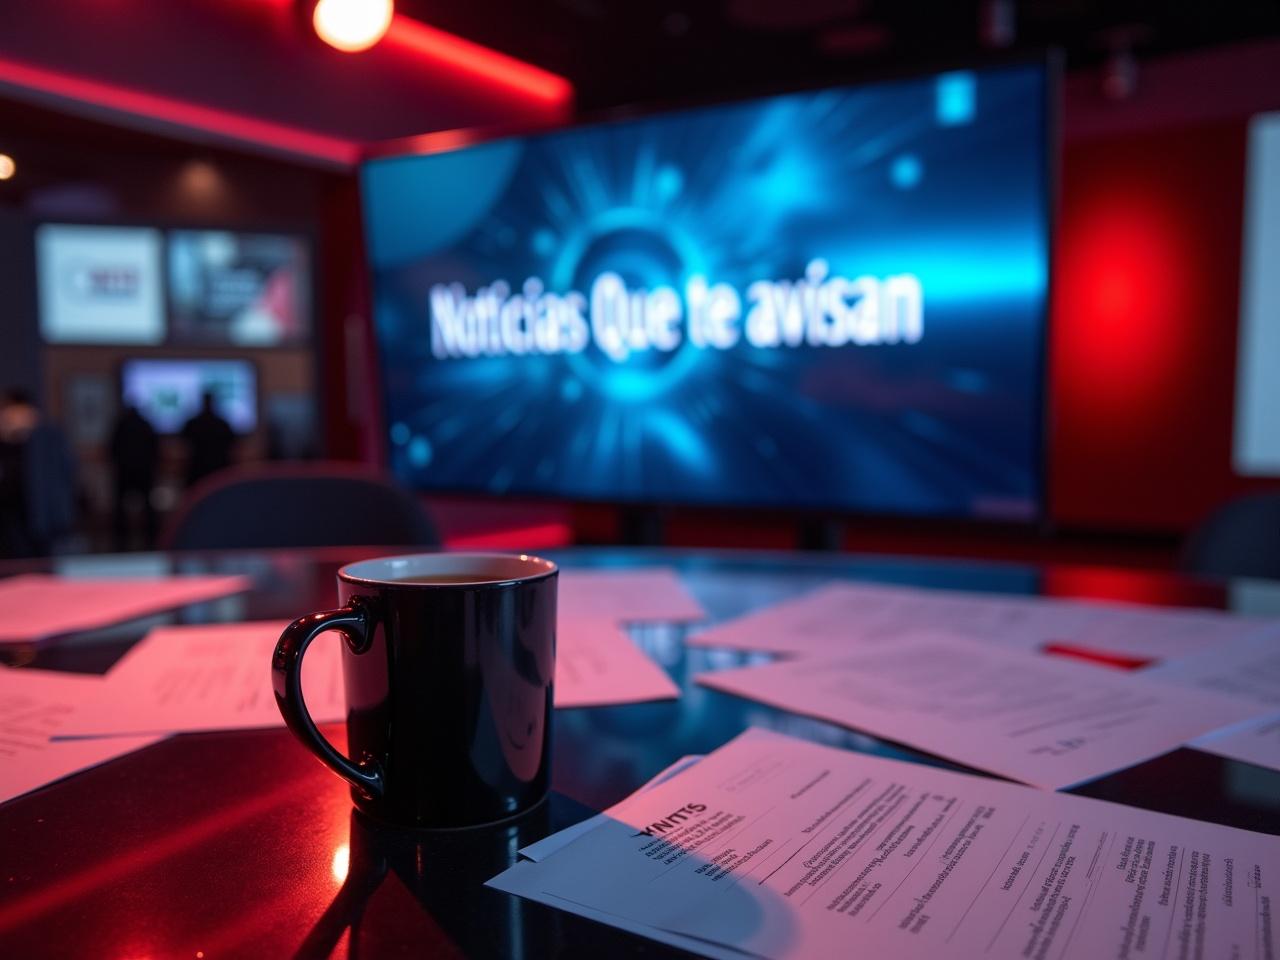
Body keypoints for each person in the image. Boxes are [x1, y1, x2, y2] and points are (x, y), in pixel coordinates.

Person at [0, 389, 77, 557]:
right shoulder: (5, 441)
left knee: (39, 559)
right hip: (8, 515)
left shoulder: (49, 437)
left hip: (40, 514)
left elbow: (66, 473)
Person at [108, 403, 160, 549]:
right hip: (143, 471)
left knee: (120, 508)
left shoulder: (121, 425)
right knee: (148, 507)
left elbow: (113, 448)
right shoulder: (145, 425)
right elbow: (155, 449)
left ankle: (120, 540)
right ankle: (151, 538)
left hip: (125, 471)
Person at [180, 390, 236, 488]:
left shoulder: (193, 423)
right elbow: (233, 444)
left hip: (198, 469)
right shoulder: (222, 424)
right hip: (219, 468)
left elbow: (183, 442)